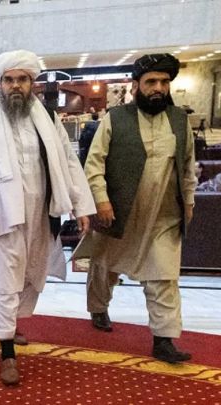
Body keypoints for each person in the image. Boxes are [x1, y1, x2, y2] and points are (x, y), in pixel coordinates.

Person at [0, 50, 96, 385]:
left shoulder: (47, 119)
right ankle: (6, 350)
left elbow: (68, 163)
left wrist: (81, 206)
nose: (15, 86)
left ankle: (11, 325)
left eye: (22, 79)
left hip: (40, 214)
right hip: (1, 215)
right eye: (9, 80)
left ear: (33, 83)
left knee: (30, 274)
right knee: (4, 278)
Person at [84, 53, 196, 364]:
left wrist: (189, 200)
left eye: (164, 82)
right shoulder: (115, 118)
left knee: (164, 276)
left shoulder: (179, 120)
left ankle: (164, 339)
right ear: (136, 86)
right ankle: (98, 308)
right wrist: (101, 200)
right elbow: (94, 163)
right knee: (105, 267)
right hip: (119, 211)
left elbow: (188, 165)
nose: (158, 88)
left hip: (164, 216)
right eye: (151, 82)